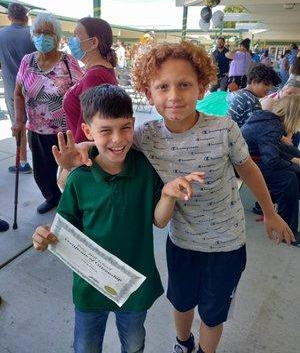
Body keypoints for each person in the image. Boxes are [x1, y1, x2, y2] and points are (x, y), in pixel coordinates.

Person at [54, 41, 294, 353]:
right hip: (182, 241)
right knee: (180, 303)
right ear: (149, 92)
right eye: (163, 87)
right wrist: (84, 151)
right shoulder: (145, 136)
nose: (174, 96)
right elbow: (109, 145)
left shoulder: (224, 129)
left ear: (202, 88)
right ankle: (183, 343)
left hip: (227, 243)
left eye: (184, 85)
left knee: (212, 312)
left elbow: (247, 170)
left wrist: (270, 212)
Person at [32, 85, 205, 353]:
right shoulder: (79, 180)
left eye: (125, 128)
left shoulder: (144, 169)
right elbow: (62, 230)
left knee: (134, 344)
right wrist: (44, 236)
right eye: (105, 131)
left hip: (134, 286)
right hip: (90, 288)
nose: (117, 139)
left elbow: (159, 221)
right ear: (88, 132)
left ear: (133, 123)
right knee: (85, 347)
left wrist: (168, 196)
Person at [12, 13, 83, 214]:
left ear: (57, 37)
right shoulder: (27, 61)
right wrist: (19, 121)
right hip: (35, 129)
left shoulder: (68, 62)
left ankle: (70, 206)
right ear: (33, 35)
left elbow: (83, 94)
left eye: (48, 33)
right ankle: (52, 199)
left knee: (67, 172)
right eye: (39, 32)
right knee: (42, 174)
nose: (43, 37)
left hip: (63, 131)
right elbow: (18, 94)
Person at [241, 96, 300, 245]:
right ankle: (288, 230)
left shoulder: (266, 118)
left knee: (292, 172)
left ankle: (264, 207)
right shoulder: (273, 126)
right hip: (244, 165)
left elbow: (274, 147)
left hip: (250, 159)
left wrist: (295, 156)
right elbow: (272, 160)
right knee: (288, 179)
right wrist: (294, 163)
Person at [64, 17, 118, 143]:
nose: (71, 40)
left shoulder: (95, 76)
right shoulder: (97, 71)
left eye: (76, 35)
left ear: (93, 42)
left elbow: (87, 129)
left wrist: (77, 157)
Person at [0, 3, 35, 173]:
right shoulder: (33, 34)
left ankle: (23, 162)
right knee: (38, 124)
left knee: (18, 125)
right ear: (26, 17)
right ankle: (43, 159)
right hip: (35, 89)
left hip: (13, 89)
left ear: (9, 17)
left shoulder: (1, 35)